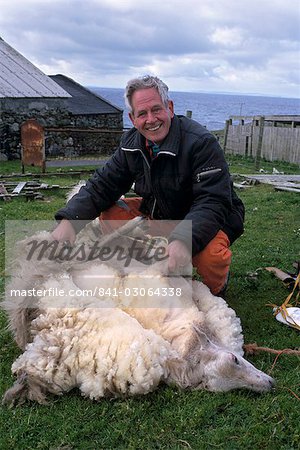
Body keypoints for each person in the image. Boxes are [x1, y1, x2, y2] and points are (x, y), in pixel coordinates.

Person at [52, 75, 245, 296]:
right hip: (161, 211)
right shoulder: (131, 145)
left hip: (210, 217)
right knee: (111, 213)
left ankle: (214, 289)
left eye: (156, 109)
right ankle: (145, 266)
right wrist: (70, 221)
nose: (151, 119)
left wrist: (184, 240)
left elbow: (213, 201)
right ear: (132, 118)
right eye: (142, 113)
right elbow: (103, 185)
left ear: (169, 107)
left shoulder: (201, 143)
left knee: (209, 257)